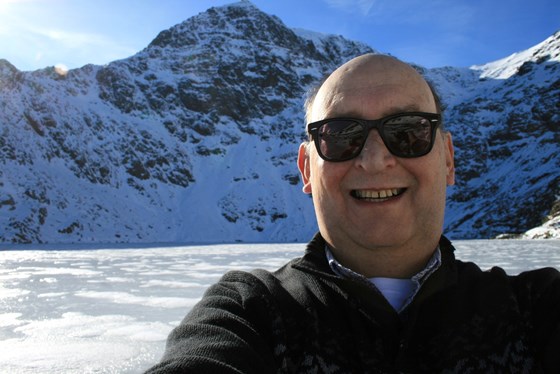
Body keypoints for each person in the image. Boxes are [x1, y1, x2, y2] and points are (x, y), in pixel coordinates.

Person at [145, 54, 560, 373]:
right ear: (307, 168)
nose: (375, 159)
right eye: (341, 136)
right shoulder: (250, 313)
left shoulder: (536, 307)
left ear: (448, 159)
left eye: (408, 131)